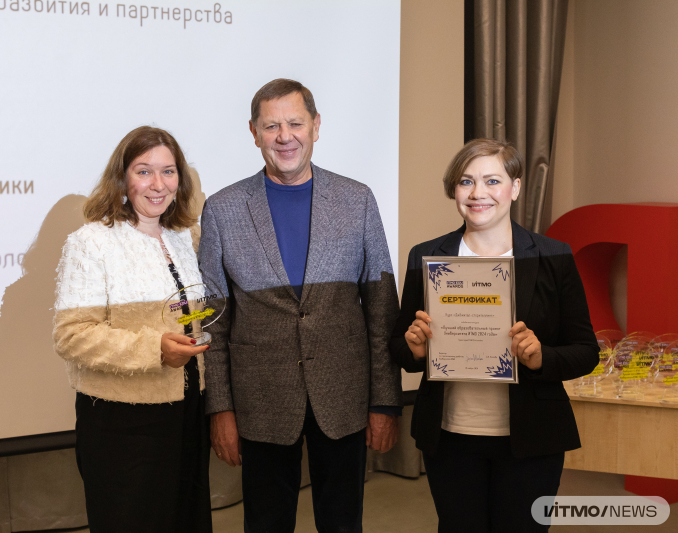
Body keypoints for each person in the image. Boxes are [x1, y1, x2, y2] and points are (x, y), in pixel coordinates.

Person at [198, 78, 403, 533]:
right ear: (253, 132)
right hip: (261, 402)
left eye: (295, 123)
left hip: (344, 397)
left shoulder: (358, 200)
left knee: (343, 522)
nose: (284, 136)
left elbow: (381, 312)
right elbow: (213, 323)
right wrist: (220, 409)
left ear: (316, 126)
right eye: (272, 126)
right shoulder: (223, 209)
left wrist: (386, 403)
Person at [390, 138, 599, 532]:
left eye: (491, 180)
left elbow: (587, 351)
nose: (478, 193)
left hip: (532, 440)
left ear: (515, 187)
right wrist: (415, 349)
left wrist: (541, 358)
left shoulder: (554, 256)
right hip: (450, 437)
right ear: (454, 190)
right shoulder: (426, 256)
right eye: (466, 182)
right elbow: (399, 346)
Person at [52, 126, 212, 532]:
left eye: (169, 171)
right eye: (144, 171)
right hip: (122, 424)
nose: (158, 185)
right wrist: (155, 349)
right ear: (122, 179)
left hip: (188, 413)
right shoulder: (91, 243)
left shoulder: (185, 237)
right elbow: (72, 335)